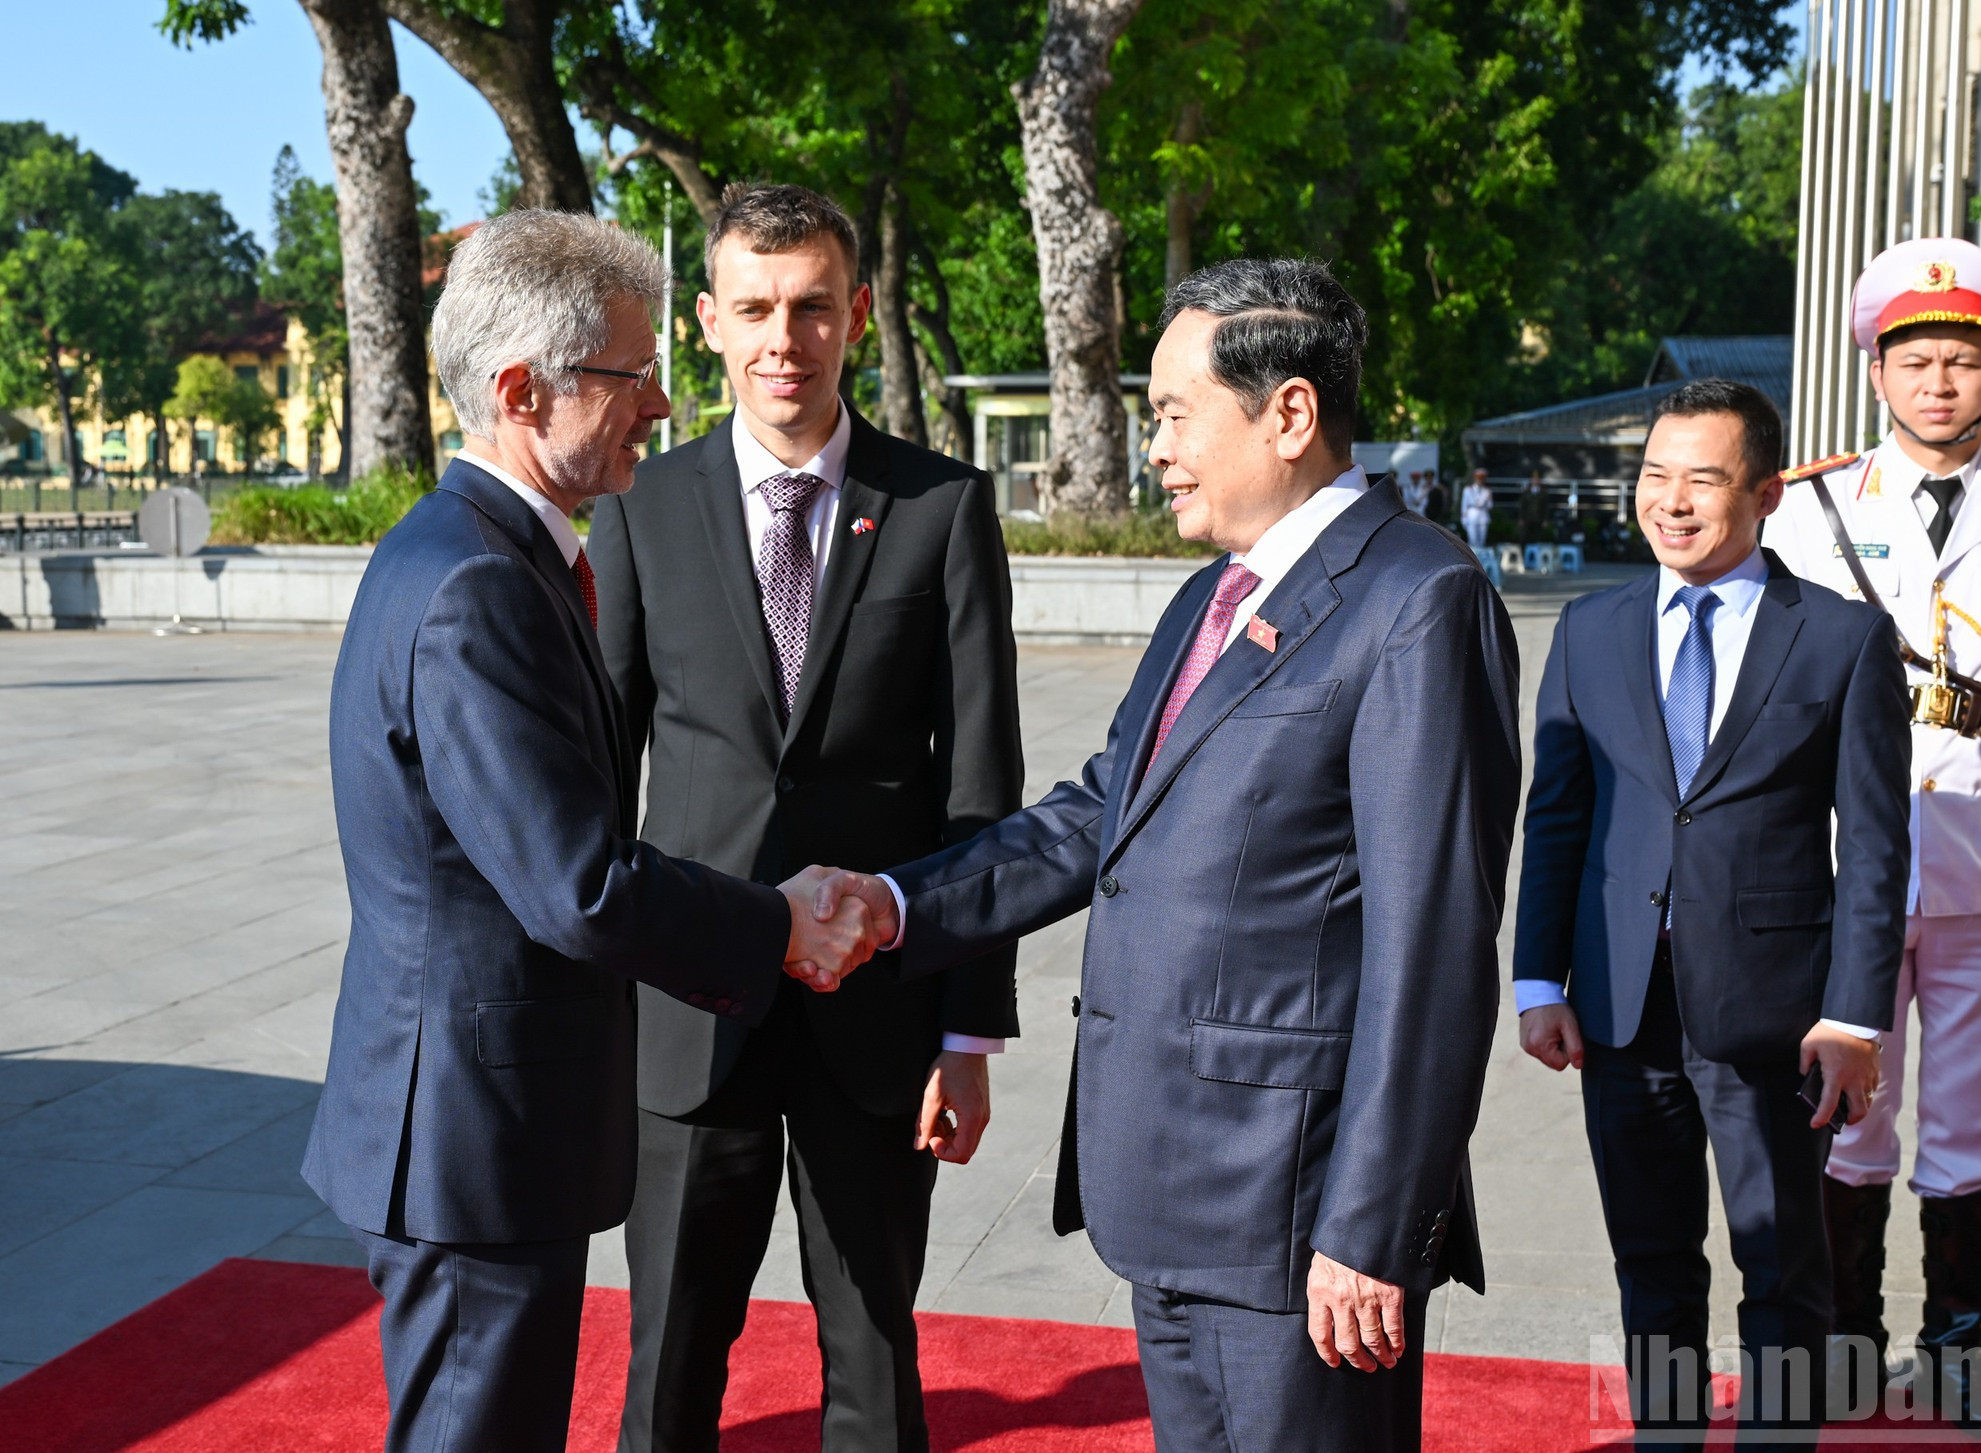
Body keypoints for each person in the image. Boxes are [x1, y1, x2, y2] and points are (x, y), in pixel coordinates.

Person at [814, 257, 1521, 1452]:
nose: (1156, 448)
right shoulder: (1210, 598)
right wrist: (892, 903)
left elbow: (1432, 949)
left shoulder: (1416, 599)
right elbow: (1100, 814)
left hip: (1295, 1213)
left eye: (1174, 414)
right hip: (1175, 1182)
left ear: (1287, 412)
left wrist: (1373, 1222)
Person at [300, 210, 891, 1453]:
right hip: (471, 1138)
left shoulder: (479, 552)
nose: (666, 404)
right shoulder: (478, 586)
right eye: (631, 376)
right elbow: (576, 884)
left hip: (487, 1127)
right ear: (524, 390)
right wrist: (775, 920)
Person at [589, 183, 1025, 1453]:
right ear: (711, 325)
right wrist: (596, 1005)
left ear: (858, 315)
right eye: (757, 309)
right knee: (666, 1357)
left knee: (874, 1358)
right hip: (689, 1012)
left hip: (878, 1019)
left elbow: (979, 794)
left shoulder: (943, 508)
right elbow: (603, 775)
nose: (786, 337)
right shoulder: (637, 504)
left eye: (814, 307)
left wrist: (968, 1031)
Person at [1513, 378, 1910, 1447]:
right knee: (1649, 1259)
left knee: (1782, 1264)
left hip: (1774, 1013)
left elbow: (1874, 846)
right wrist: (1537, 980)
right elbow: (1555, 818)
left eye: (1701, 478)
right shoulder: (1588, 632)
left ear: (1765, 491)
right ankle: (1666, 1437)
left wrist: (1852, 1015)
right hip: (1617, 1005)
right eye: (1653, 475)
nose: (1670, 501)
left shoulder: (1838, 640)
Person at [1761, 236, 1981, 1434]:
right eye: (1915, 360)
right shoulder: (1805, 512)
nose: (1939, 383)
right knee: (1844, 1108)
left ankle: (1954, 1348)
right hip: (1847, 867)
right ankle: (1840, 1339)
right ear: (1875, 372)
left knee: (1973, 1120)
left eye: (1961, 359)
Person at [1460, 467, 1494, 548]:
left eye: (1482, 478)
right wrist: (1463, 518)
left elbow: (1490, 506)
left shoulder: (1487, 491)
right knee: (1472, 540)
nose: (1480, 480)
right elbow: (1464, 505)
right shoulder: (1468, 490)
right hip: (1472, 514)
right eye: (1478, 478)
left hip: (1483, 515)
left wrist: (1489, 497)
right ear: (1475, 478)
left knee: (1482, 540)